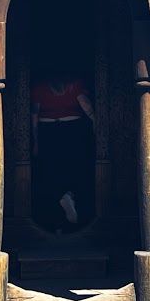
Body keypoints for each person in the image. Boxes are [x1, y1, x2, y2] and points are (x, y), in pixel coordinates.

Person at [30, 68, 94, 231]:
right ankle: (69, 195)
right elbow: (85, 105)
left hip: (48, 131)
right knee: (74, 167)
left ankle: (60, 202)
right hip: (72, 129)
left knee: (51, 170)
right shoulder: (75, 84)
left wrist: (36, 141)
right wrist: (97, 122)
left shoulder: (40, 87)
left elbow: (34, 116)